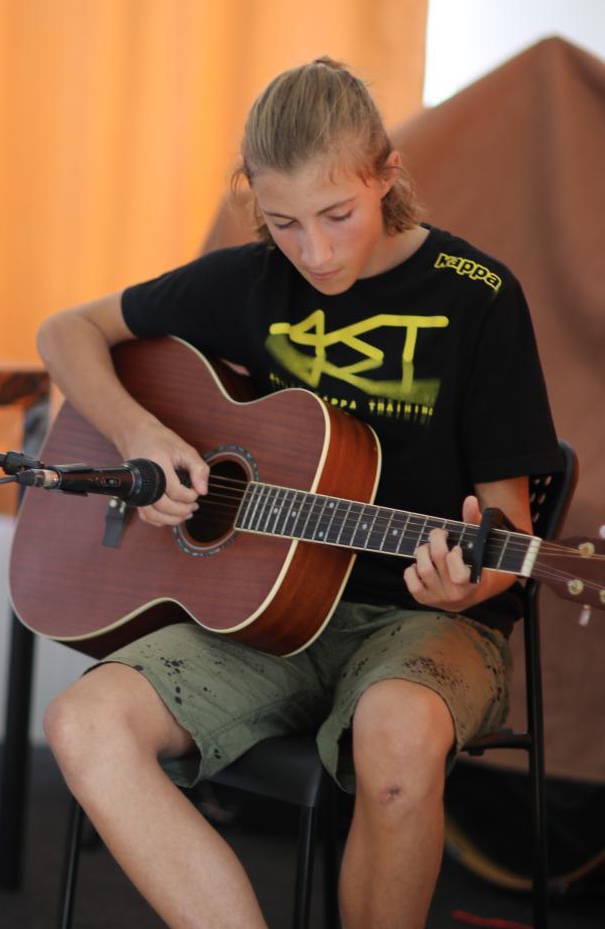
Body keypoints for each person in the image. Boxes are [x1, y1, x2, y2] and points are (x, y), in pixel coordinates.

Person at [39, 58, 563, 929]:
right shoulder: (248, 282)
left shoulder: (477, 297)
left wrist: (472, 584)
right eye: (284, 222)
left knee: (396, 738)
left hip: (426, 621)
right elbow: (66, 332)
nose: (314, 252)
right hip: (261, 614)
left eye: (337, 215)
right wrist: (141, 436)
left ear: (387, 174)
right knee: (84, 724)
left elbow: (508, 527)